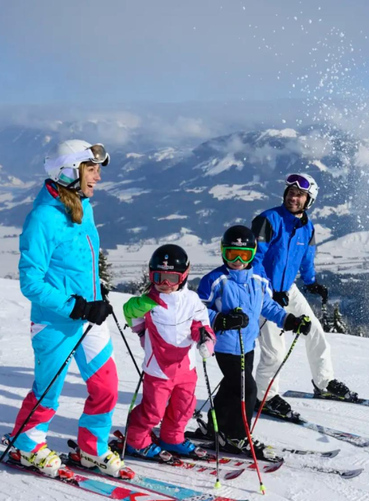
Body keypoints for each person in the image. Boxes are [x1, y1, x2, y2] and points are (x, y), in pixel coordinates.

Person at [9, 140, 133, 479]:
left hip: (89, 316)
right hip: (55, 322)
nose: (98, 178)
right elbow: (31, 282)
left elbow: (78, 261)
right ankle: (27, 444)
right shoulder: (43, 218)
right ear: (69, 172)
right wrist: (75, 305)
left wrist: (96, 288)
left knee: (106, 386)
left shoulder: (82, 205)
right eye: (91, 170)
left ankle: (92, 447)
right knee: (49, 390)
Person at [250, 173, 356, 418]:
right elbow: (253, 259)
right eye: (290, 192)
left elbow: (307, 258)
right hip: (264, 292)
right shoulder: (268, 220)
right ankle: (264, 396)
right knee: (274, 350)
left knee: (315, 331)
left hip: (288, 290)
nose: (293, 198)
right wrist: (269, 290)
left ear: (309, 200)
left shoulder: (308, 228)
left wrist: (312, 282)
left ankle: (324, 383)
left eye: (299, 195)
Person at [196, 225, 310, 451]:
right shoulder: (216, 280)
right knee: (247, 389)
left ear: (253, 253)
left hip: (248, 344)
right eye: (231, 253)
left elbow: (267, 304)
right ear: (222, 252)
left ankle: (215, 425)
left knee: (231, 387)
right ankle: (237, 435)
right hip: (226, 345)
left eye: (244, 254)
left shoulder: (258, 277)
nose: (237, 259)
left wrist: (288, 320)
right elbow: (198, 310)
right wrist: (222, 320)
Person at [122, 244, 215, 458]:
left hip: (186, 366)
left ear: (184, 276)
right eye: (158, 277)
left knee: (184, 405)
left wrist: (205, 339)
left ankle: (172, 437)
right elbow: (130, 313)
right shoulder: (148, 302)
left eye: (171, 278)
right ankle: (136, 440)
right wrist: (141, 329)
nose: (165, 284)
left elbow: (201, 323)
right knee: (153, 410)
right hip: (158, 368)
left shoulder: (191, 299)